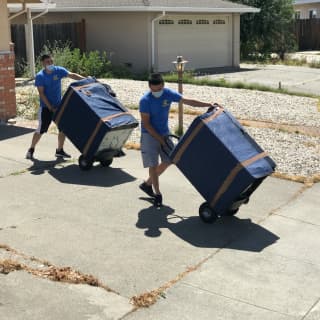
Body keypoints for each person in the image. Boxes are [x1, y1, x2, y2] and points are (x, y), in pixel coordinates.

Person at [139, 73, 215, 207]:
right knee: (153, 165)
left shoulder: (167, 94)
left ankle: (147, 184)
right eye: (153, 90)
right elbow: (147, 125)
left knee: (170, 160)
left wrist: (208, 104)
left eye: (158, 89)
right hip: (149, 135)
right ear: (149, 87)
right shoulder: (145, 100)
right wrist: (160, 139)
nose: (156, 92)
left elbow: (188, 101)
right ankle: (157, 193)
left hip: (164, 133)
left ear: (163, 85)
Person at [26, 54, 86, 160]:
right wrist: (50, 108)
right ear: (43, 64)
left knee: (63, 128)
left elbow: (72, 75)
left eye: (51, 61)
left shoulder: (58, 70)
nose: (50, 64)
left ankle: (59, 150)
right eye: (47, 62)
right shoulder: (40, 76)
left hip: (59, 106)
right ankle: (31, 149)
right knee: (41, 130)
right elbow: (42, 94)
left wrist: (86, 80)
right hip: (45, 108)